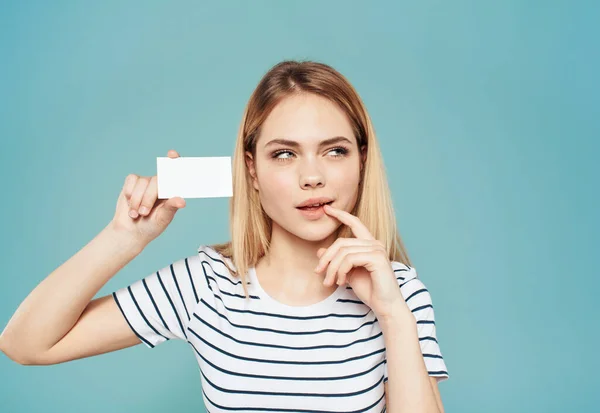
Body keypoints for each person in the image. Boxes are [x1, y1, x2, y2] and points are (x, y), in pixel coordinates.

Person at [0, 60, 449, 412]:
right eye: (285, 154)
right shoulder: (207, 284)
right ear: (251, 169)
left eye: (334, 151)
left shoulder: (399, 292)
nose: (312, 177)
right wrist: (125, 238)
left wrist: (392, 313)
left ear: (361, 162)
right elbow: (25, 343)